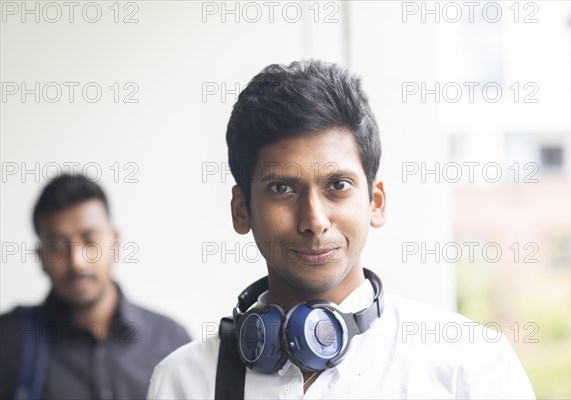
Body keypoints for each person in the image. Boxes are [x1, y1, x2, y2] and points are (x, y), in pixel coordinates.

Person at [146, 60, 536, 399]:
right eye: (282, 189)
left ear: (376, 203)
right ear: (241, 210)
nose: (314, 220)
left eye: (338, 186)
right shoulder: (184, 382)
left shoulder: (467, 364)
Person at [0, 174, 191, 400]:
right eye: (57, 246)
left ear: (115, 242)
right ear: (41, 256)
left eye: (90, 241)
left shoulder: (170, 340)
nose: (76, 261)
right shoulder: (9, 340)